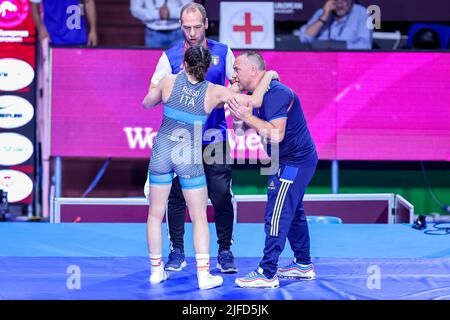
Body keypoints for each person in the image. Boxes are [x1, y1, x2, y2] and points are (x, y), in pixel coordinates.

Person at [142, 45, 277, 289]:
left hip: (162, 150)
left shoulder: (167, 81)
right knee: (200, 216)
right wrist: (268, 74)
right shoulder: (213, 92)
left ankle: (155, 272)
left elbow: (146, 103)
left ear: (184, 64)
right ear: (207, 68)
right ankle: (204, 276)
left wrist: (162, 93)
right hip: (188, 155)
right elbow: (254, 99)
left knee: (155, 214)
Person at [143, 2, 238, 274]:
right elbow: (153, 91)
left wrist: (222, 101)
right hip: (180, 142)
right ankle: (177, 251)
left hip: (214, 138)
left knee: (220, 196)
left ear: (206, 23)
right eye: (187, 27)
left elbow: (238, 83)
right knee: (175, 198)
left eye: (197, 26)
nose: (193, 32)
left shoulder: (223, 52)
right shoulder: (169, 58)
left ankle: (225, 250)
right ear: (180, 26)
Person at [228, 51, 318, 288]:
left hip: (295, 161)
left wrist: (248, 115)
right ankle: (303, 265)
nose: (233, 74)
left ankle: (267, 273)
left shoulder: (278, 93)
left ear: (254, 72)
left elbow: (276, 134)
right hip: (280, 160)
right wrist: (238, 105)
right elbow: (239, 131)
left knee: (277, 213)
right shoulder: (252, 96)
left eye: (237, 69)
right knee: (294, 211)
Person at [298, 0, 372, 50]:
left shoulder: (362, 13)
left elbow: (365, 45)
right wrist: (324, 17)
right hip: (321, 61)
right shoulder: (322, 13)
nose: (339, 5)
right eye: (336, 1)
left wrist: (335, 45)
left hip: (348, 61)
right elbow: (304, 38)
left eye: (343, 1)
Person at [30, 0, 98, 46]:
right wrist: (40, 28)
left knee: (78, 66)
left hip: (78, 36)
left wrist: (93, 30)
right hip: (52, 37)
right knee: (55, 66)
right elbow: (34, 6)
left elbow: (89, 2)